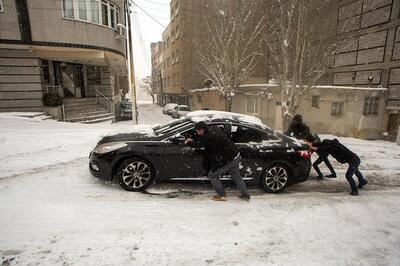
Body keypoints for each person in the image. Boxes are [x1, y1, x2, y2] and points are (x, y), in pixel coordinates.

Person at [185, 121, 251, 201]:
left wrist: (188, 142)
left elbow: (199, 144)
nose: (198, 133)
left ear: (202, 129)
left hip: (228, 159)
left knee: (212, 175)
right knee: (236, 176)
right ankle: (245, 194)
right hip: (235, 155)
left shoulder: (208, 137)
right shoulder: (213, 128)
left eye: (198, 131)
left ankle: (222, 195)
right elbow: (206, 141)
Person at [303, 134, 368, 196]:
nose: (325, 146)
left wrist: (312, 147)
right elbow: (322, 144)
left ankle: (355, 191)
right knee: (355, 170)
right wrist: (311, 144)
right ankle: (362, 181)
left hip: (354, 160)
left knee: (348, 175)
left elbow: (322, 148)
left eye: (326, 146)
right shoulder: (332, 143)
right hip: (353, 159)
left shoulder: (333, 147)